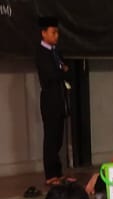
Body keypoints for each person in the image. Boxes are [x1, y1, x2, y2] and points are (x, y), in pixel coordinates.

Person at [36, 16, 70, 184]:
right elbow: (52, 74)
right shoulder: (41, 53)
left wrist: (62, 69)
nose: (56, 36)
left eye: (57, 33)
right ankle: (50, 175)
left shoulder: (56, 52)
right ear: (44, 33)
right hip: (49, 99)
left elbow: (65, 69)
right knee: (50, 138)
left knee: (58, 138)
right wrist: (61, 69)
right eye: (53, 32)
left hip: (60, 98)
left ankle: (58, 172)